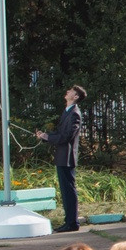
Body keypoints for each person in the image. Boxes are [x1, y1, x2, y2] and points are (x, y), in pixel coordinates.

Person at [45, 86, 85, 233]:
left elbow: (67, 136)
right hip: (62, 156)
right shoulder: (67, 111)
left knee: (68, 190)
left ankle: (72, 223)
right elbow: (60, 132)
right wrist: (46, 136)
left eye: (71, 91)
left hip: (67, 157)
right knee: (65, 190)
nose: (67, 92)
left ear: (75, 97)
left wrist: (48, 137)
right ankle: (69, 221)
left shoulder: (75, 114)